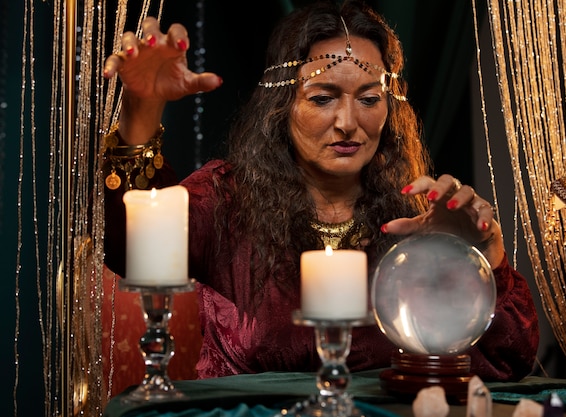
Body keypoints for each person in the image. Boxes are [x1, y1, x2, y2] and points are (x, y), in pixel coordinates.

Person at [102, 0, 539, 382]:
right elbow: (126, 245)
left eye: (368, 99)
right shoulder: (227, 200)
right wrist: (141, 113)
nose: (348, 122)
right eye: (322, 98)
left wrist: (480, 258)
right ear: (282, 104)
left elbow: (506, 361)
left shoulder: (418, 219)